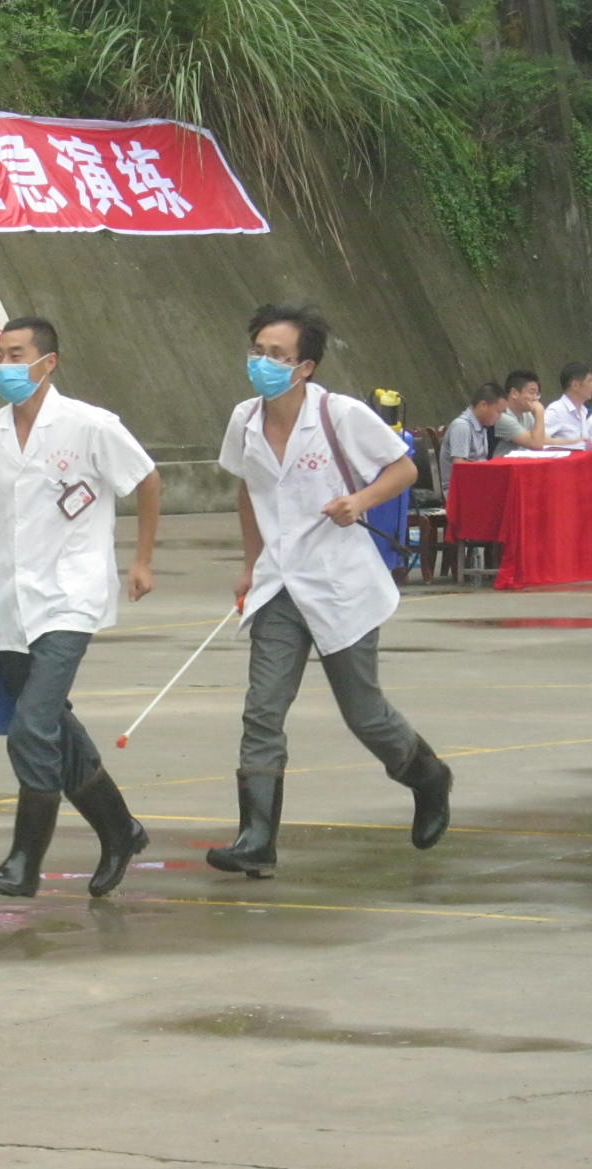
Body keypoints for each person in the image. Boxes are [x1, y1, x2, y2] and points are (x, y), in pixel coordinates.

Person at [208, 302, 452, 879]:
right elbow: (247, 492)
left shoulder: (339, 414)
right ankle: (256, 839)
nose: (263, 362)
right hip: (278, 584)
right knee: (262, 710)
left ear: (306, 366)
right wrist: (250, 564)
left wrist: (358, 502)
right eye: (258, 351)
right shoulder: (245, 419)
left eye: (277, 355)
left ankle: (428, 777)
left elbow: (404, 468)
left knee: (363, 713)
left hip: (339, 582)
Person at [0, 316, 162, 899]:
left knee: (32, 727)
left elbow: (147, 480)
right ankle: (120, 830)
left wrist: (141, 560)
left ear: (49, 362)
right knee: (54, 726)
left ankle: (25, 862)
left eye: (17, 354)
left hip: (72, 596)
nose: (4, 366)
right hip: (13, 603)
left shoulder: (90, 425)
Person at [439, 381, 506, 481]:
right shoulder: (462, 426)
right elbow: (460, 466)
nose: (499, 417)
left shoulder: (482, 425)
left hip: (477, 480)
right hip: (459, 485)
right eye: (498, 412)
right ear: (483, 405)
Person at [544, 362, 592, 447]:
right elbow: (539, 439)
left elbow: (584, 442)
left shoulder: (583, 410)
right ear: (575, 385)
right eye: (589, 381)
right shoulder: (556, 410)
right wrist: (574, 442)